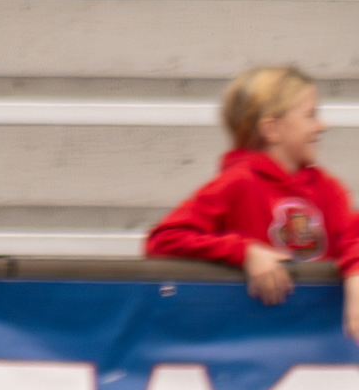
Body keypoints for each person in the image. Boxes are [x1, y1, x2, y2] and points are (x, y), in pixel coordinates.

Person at [146, 64, 357, 303]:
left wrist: (355, 276)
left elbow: (353, 238)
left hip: (317, 333)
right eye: (310, 115)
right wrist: (245, 252)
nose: (322, 126)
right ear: (272, 129)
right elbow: (163, 239)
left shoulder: (327, 188)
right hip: (250, 333)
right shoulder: (237, 183)